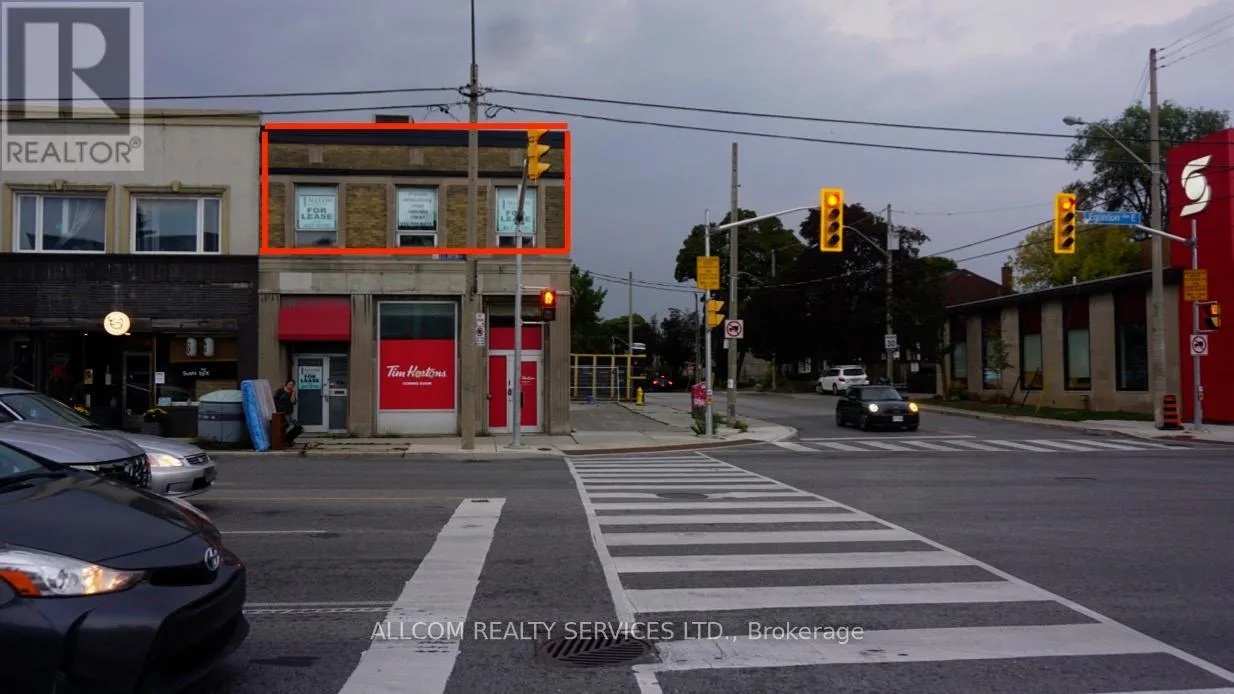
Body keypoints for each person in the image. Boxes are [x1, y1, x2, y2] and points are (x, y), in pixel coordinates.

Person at [274, 379, 302, 446]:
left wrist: (293, 393)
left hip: (288, 412)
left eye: (292, 385)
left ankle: (289, 439)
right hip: (280, 412)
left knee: (295, 427)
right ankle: (284, 439)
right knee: (287, 426)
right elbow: (274, 399)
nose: (291, 385)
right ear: (286, 384)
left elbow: (293, 402)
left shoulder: (292, 392)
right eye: (290, 384)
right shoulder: (280, 390)